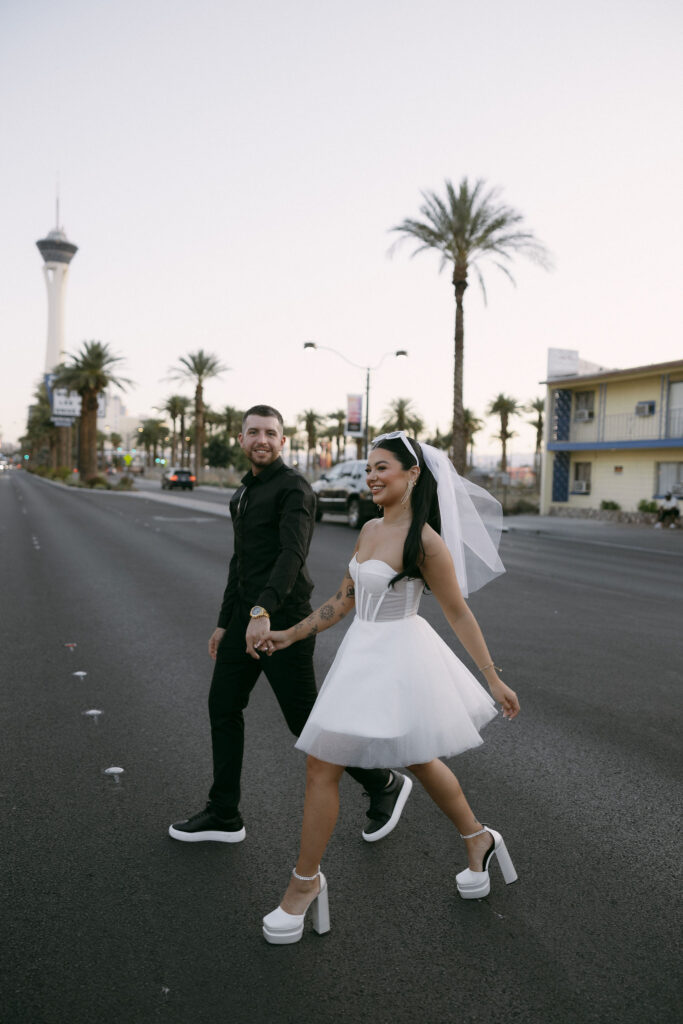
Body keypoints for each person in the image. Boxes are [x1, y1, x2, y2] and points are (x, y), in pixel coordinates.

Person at [260, 431, 521, 944]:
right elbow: (344, 599)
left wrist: (492, 677)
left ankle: (477, 838)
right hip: (362, 654)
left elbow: (457, 611)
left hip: (401, 655)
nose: (372, 477)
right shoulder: (370, 528)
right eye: (368, 469)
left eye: (383, 468)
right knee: (324, 762)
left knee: (419, 757)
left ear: (412, 474)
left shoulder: (424, 542)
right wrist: (290, 633)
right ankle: (309, 881)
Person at [169, 407, 411, 845]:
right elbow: (240, 563)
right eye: (254, 433)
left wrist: (262, 612)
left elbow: (290, 555)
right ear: (242, 440)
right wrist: (227, 622)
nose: (262, 440)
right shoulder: (241, 495)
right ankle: (224, 813)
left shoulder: (295, 490)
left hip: (284, 621)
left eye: (271, 433)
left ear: (282, 441)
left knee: (305, 722)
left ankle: (383, 783)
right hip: (246, 620)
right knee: (223, 707)